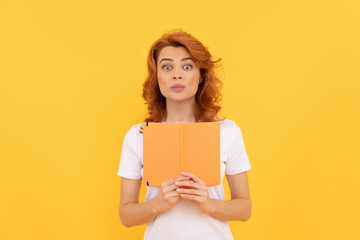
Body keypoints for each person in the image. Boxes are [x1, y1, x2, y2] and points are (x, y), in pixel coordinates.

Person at [117, 29, 252, 240]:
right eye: (167, 67)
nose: (176, 74)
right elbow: (126, 215)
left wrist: (208, 204)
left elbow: (244, 209)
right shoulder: (138, 136)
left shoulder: (227, 131)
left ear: (200, 76)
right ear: (157, 76)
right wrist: (156, 204)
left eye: (187, 66)